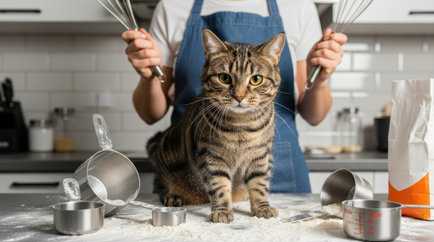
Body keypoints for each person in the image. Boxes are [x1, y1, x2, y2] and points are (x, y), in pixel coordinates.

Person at [122, 0, 347, 193]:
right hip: (196, 178)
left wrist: (321, 78)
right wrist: (148, 76)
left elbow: (314, 115)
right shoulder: (173, 7)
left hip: (278, 180)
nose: (239, 94)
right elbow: (150, 114)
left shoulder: (297, 7)